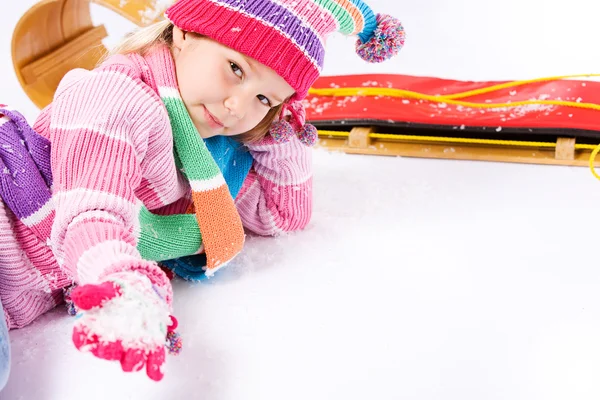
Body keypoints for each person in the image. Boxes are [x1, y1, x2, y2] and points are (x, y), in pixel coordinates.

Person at [0, 0, 405, 383]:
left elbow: (282, 214)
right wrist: (124, 285)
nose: (236, 106)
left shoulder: (209, 152)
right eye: (236, 69)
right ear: (185, 33)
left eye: (263, 98)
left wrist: (279, 127)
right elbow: (91, 211)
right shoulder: (117, 96)